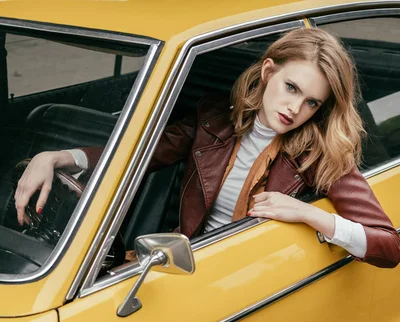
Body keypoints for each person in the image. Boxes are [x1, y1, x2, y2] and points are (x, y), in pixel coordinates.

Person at [14, 28, 400, 268]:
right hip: (189, 264)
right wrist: (58, 157)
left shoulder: (321, 156)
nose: (294, 109)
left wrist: (310, 214)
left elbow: (389, 246)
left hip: (249, 274)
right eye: (291, 88)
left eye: (312, 102)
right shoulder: (212, 122)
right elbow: (139, 154)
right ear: (268, 73)